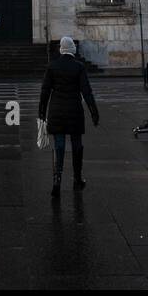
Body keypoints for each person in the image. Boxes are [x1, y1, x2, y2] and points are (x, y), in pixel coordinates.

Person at [39, 36, 99, 198]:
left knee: (58, 145)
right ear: (73, 49)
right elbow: (86, 91)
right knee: (77, 144)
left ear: (60, 49)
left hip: (56, 110)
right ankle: (77, 178)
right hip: (74, 110)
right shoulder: (78, 66)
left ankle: (57, 179)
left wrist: (41, 113)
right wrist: (94, 111)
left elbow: (45, 92)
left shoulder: (52, 66)